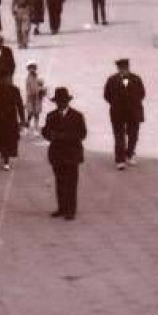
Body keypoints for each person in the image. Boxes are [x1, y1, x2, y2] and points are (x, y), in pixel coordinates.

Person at [42, 88, 87, 219]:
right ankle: (61, 208)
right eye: (58, 102)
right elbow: (45, 132)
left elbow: (82, 133)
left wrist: (66, 136)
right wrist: (50, 135)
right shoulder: (51, 116)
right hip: (57, 153)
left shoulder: (77, 116)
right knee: (60, 181)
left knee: (71, 183)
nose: (60, 104)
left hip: (72, 153)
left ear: (67, 102)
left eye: (62, 102)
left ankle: (71, 210)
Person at [103, 57, 145, 169]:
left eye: (125, 67)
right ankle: (120, 160)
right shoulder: (112, 80)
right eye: (121, 68)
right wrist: (116, 104)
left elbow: (142, 93)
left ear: (128, 68)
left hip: (134, 112)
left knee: (133, 136)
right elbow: (106, 95)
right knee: (119, 137)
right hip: (118, 112)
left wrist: (133, 103)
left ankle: (130, 154)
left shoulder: (136, 79)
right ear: (118, 68)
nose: (123, 70)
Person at [0, 69, 23, 171]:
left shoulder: (15, 90)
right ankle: (4, 156)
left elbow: (19, 105)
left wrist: (23, 119)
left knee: (8, 140)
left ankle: (6, 159)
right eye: (6, 78)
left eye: (10, 78)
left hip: (10, 119)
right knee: (1, 139)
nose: (8, 80)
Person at [23, 62, 45, 134]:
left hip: (37, 98)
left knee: (37, 114)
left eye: (33, 68)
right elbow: (28, 89)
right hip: (30, 98)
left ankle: (36, 128)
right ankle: (26, 127)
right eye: (30, 68)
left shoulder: (37, 77)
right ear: (28, 69)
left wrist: (42, 89)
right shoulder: (28, 79)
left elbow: (41, 86)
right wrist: (36, 91)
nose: (32, 69)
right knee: (30, 113)